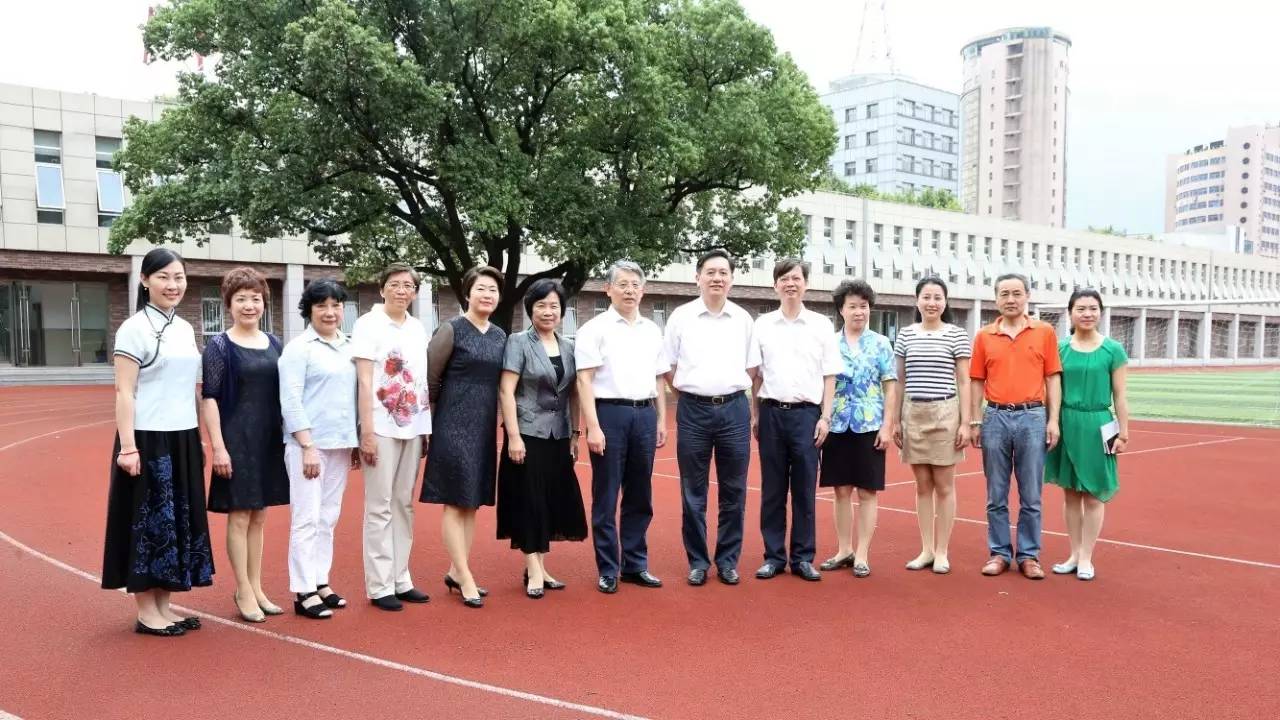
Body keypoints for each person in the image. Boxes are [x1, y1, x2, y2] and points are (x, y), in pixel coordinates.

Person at [102, 247, 213, 636]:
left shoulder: (183, 328)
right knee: (148, 524)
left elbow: (189, 390)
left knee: (176, 522)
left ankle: (165, 606)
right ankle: (147, 612)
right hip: (147, 441)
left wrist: (199, 438)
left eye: (179, 277)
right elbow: (124, 392)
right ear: (145, 281)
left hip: (182, 438)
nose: (173, 284)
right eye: (164, 276)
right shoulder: (133, 328)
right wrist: (128, 448)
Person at [575, 260, 670, 594]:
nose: (630, 290)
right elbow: (584, 380)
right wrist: (593, 426)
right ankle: (608, 568)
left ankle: (635, 564)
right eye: (623, 284)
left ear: (643, 290)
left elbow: (659, 378)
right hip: (610, 415)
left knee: (640, 494)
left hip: (644, 415)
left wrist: (661, 418)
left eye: (635, 285)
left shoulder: (652, 329)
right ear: (608, 289)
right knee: (606, 494)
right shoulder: (595, 329)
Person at [663, 250, 756, 587]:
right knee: (693, 491)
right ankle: (698, 561)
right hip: (693, 411)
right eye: (710, 271)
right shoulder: (681, 317)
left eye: (723, 272)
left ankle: (728, 561)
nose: (717, 277)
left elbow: (752, 367)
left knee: (734, 491)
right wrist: (690, 394)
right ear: (697, 276)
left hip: (734, 409)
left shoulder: (744, 319)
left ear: (731, 278)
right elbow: (668, 367)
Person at [202, 267, 289, 623]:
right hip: (236, 439)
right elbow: (209, 398)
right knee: (239, 516)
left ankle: (257, 586)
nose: (249, 305)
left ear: (264, 303)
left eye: (255, 299)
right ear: (229, 304)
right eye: (241, 299)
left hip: (268, 439)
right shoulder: (218, 346)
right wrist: (219, 447)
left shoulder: (275, 343)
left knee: (260, 515)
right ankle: (242, 589)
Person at [750, 259, 842, 582]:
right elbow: (755, 375)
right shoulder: (761, 325)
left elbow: (830, 376)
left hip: (807, 416)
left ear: (806, 284)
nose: (791, 283)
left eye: (797, 278)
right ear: (775, 285)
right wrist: (755, 414)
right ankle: (773, 556)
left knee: (804, 489)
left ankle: (803, 557)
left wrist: (825, 417)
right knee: (772, 490)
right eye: (784, 278)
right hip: (772, 413)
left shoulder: (821, 325)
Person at [421, 266, 508, 608]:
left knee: (472, 502)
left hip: (484, 425)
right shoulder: (451, 329)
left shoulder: (500, 336)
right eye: (481, 289)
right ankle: (465, 574)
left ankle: (457, 571)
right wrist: (433, 420)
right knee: (455, 500)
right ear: (467, 293)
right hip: (452, 423)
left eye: (493, 290)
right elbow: (431, 377)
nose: (487, 295)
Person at [496, 279, 588, 599]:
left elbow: (574, 394)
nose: (548, 312)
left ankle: (540, 565)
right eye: (541, 305)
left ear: (562, 311)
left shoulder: (569, 346)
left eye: (554, 306)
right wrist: (513, 436)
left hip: (558, 435)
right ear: (530, 309)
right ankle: (532, 569)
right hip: (527, 434)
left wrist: (575, 434)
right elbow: (506, 390)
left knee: (548, 500)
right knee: (529, 500)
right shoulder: (518, 342)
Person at [969, 273, 1062, 580]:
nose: (1011, 299)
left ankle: (1029, 555)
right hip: (995, 417)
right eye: (1005, 294)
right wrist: (974, 419)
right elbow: (976, 380)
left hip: (1032, 416)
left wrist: (1053, 419)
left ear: (1027, 296)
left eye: (1017, 293)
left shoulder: (1044, 332)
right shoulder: (984, 336)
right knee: (995, 492)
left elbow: (1052, 378)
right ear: (996, 299)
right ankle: (998, 552)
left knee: (1031, 494)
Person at [352, 264, 432, 612]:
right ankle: (380, 583)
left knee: (404, 503)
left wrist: (425, 428)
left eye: (408, 286)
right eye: (395, 284)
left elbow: (422, 380)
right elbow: (366, 381)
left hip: (413, 424)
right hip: (381, 426)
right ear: (382, 289)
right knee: (379, 505)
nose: (402, 290)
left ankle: (401, 577)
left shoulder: (418, 328)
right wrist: (366, 430)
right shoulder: (368, 325)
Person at [278, 278, 359, 620]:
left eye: (336, 305)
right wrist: (306, 444)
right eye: (321, 306)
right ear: (308, 311)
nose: (330, 312)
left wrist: (354, 440)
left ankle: (320, 580)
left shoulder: (349, 346)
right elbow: (290, 399)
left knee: (328, 517)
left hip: (340, 445)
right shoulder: (299, 348)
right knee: (306, 518)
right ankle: (302, 589)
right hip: (308, 447)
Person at [1046, 289, 1129, 581]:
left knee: (1094, 495)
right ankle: (1073, 553)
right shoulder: (1059, 348)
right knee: (1070, 494)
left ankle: (1087, 557)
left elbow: (1120, 396)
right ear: (1070, 312)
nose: (1087, 313)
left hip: (1101, 425)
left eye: (1093, 308)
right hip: (1068, 421)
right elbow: (1052, 390)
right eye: (1081, 308)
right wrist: (1052, 421)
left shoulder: (1113, 350)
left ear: (1100, 312)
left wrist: (1124, 432)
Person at [818, 279, 898, 578]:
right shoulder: (830, 343)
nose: (858, 312)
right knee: (840, 490)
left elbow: (890, 387)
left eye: (863, 306)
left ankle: (862, 553)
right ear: (841, 310)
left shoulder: (880, 343)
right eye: (852, 306)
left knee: (867, 491)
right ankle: (843, 549)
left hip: (869, 423)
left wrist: (887, 426)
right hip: (837, 424)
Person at [892, 277, 971, 575]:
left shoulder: (956, 335)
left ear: (945, 302)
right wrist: (896, 419)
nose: (932, 303)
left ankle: (942, 551)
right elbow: (899, 381)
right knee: (922, 485)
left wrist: (966, 421)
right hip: (913, 412)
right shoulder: (906, 335)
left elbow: (964, 380)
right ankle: (926, 549)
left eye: (938, 297)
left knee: (944, 485)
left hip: (945, 412)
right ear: (917, 301)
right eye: (926, 297)